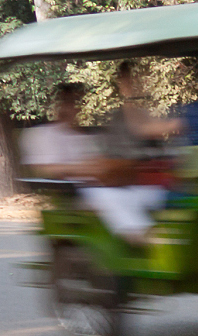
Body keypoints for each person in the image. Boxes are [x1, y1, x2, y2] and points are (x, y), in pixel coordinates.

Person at [22, 78, 167, 245]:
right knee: (109, 198)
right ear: (56, 104)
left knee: (154, 194)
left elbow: (110, 161)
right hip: (76, 192)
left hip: (113, 184)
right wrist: (91, 169)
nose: (72, 108)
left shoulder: (91, 135)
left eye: (76, 102)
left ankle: (164, 236)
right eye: (67, 102)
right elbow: (46, 170)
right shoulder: (41, 135)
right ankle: (140, 238)